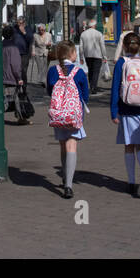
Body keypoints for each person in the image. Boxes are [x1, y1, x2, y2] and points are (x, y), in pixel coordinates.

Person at [110, 32, 140, 197]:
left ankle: (131, 181)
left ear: (124, 46)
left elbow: (116, 88)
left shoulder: (122, 63)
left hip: (127, 109)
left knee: (129, 146)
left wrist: (114, 111)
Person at [47, 41, 89, 199]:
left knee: (63, 146)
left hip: (58, 114)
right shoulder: (79, 72)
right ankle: (69, 185)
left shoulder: (52, 71)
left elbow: (49, 90)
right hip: (73, 115)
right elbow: (85, 95)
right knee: (72, 146)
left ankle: (65, 175)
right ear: (72, 54)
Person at [2, 25, 27, 123]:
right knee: (16, 98)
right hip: (11, 76)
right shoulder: (13, 48)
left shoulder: (0, 45)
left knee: (3, 97)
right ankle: (20, 117)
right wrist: (19, 77)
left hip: (2, 76)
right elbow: (15, 64)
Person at [79, 19, 106, 95]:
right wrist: (104, 56)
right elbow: (102, 46)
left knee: (90, 70)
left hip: (87, 55)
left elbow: (81, 47)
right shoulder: (99, 34)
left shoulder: (83, 34)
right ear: (94, 25)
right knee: (96, 71)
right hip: (97, 55)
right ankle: (94, 87)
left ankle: (92, 85)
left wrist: (81, 57)